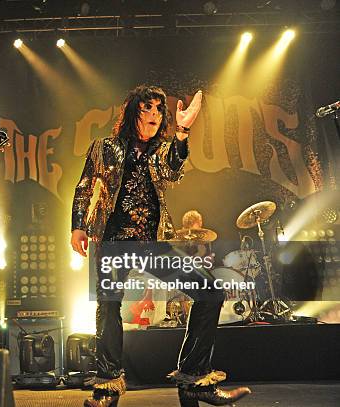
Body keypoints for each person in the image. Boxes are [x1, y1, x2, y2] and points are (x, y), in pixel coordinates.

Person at [70, 85, 251, 407]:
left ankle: (194, 378)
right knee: (108, 307)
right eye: (146, 109)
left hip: (153, 244)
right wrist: (78, 227)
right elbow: (85, 186)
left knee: (209, 291)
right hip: (113, 241)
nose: (153, 115)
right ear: (131, 113)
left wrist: (183, 131)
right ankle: (106, 389)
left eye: (158, 110)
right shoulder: (104, 147)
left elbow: (173, 170)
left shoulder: (162, 150)